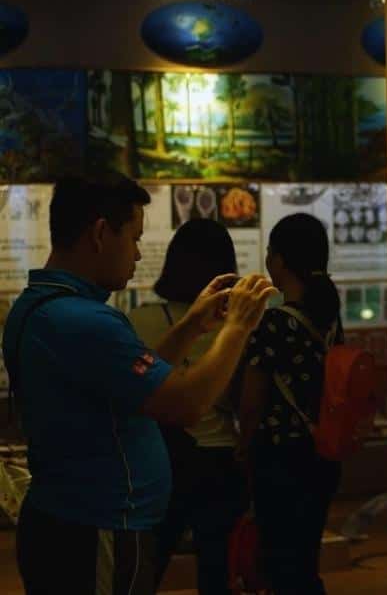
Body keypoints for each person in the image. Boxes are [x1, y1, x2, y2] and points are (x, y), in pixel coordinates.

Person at [2, 172, 276, 594]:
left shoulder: (40, 306)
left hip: (66, 518)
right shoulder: (85, 321)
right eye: (133, 237)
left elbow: (128, 386)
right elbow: (186, 404)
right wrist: (238, 325)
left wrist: (191, 326)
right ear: (99, 233)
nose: (137, 253)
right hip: (100, 527)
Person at [128, 219, 247, 595]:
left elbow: (134, 390)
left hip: (163, 459)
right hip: (220, 458)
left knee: (149, 562)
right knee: (217, 570)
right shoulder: (235, 327)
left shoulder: (142, 319)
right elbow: (242, 397)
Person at [237, 213, 344, 595]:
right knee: (304, 556)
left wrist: (243, 448)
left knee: (282, 563)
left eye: (270, 252)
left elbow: (252, 400)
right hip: (322, 452)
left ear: (280, 261)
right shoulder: (330, 318)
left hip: (280, 456)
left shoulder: (274, 323)